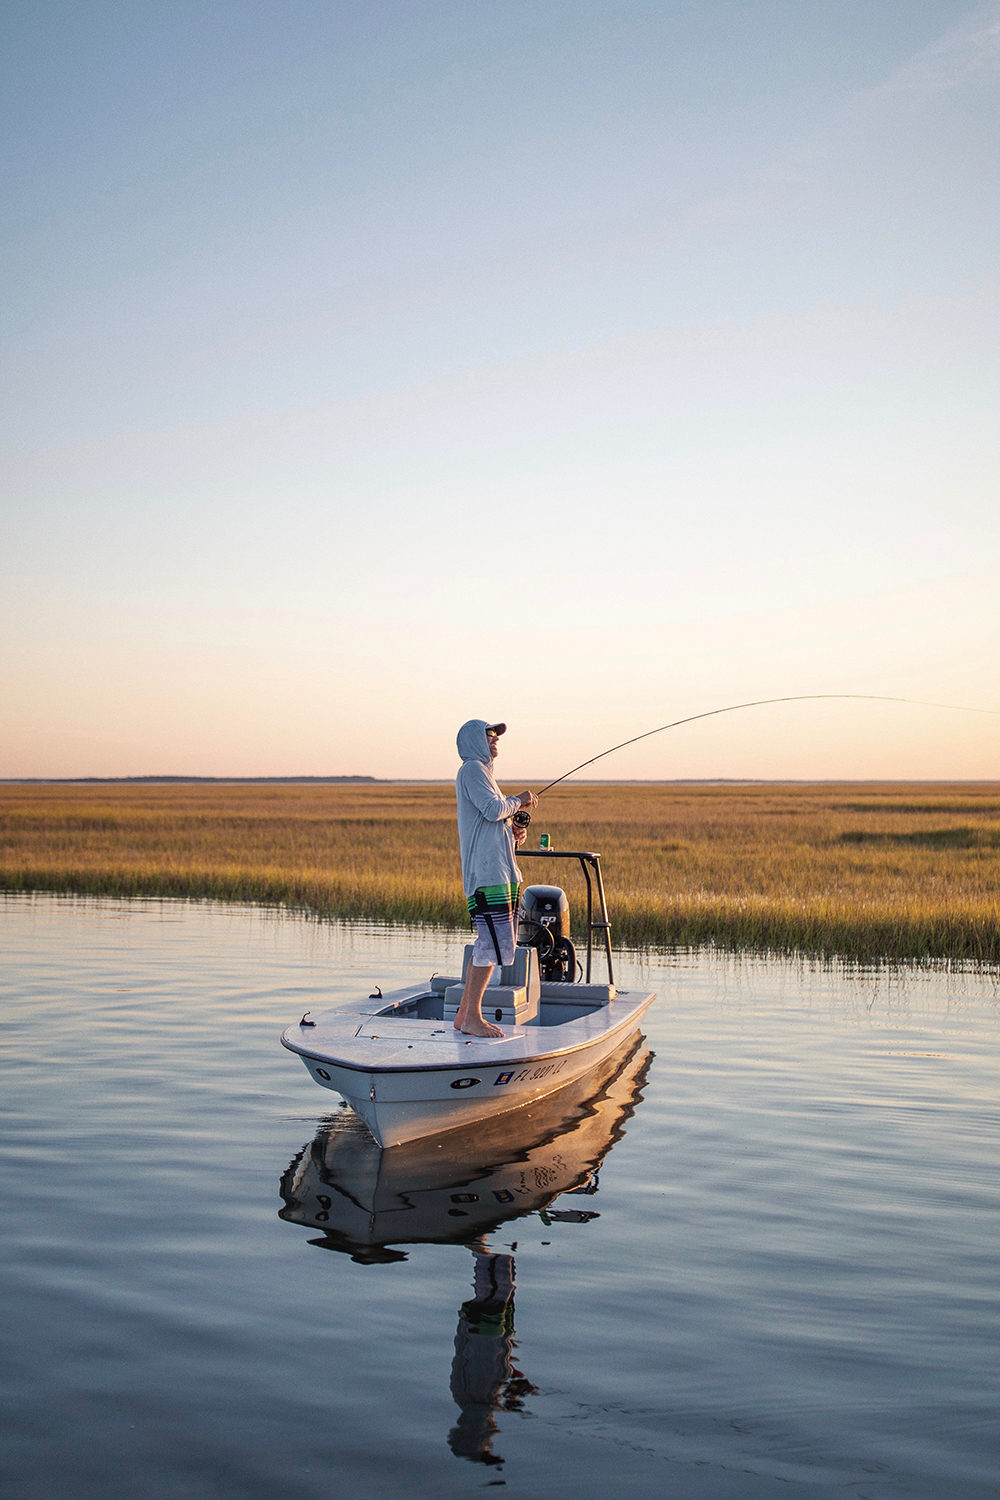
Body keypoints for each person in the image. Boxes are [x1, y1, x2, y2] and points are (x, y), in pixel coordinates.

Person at [454, 720, 537, 1037]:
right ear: (473, 740)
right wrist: (519, 799)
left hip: (500, 871)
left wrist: (514, 831)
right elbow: (492, 810)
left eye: (496, 736)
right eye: (489, 735)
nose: (494, 740)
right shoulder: (472, 769)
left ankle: (464, 1015)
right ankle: (473, 1018)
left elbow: (492, 819)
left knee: (492, 944)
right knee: (489, 945)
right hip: (487, 875)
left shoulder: (485, 775)